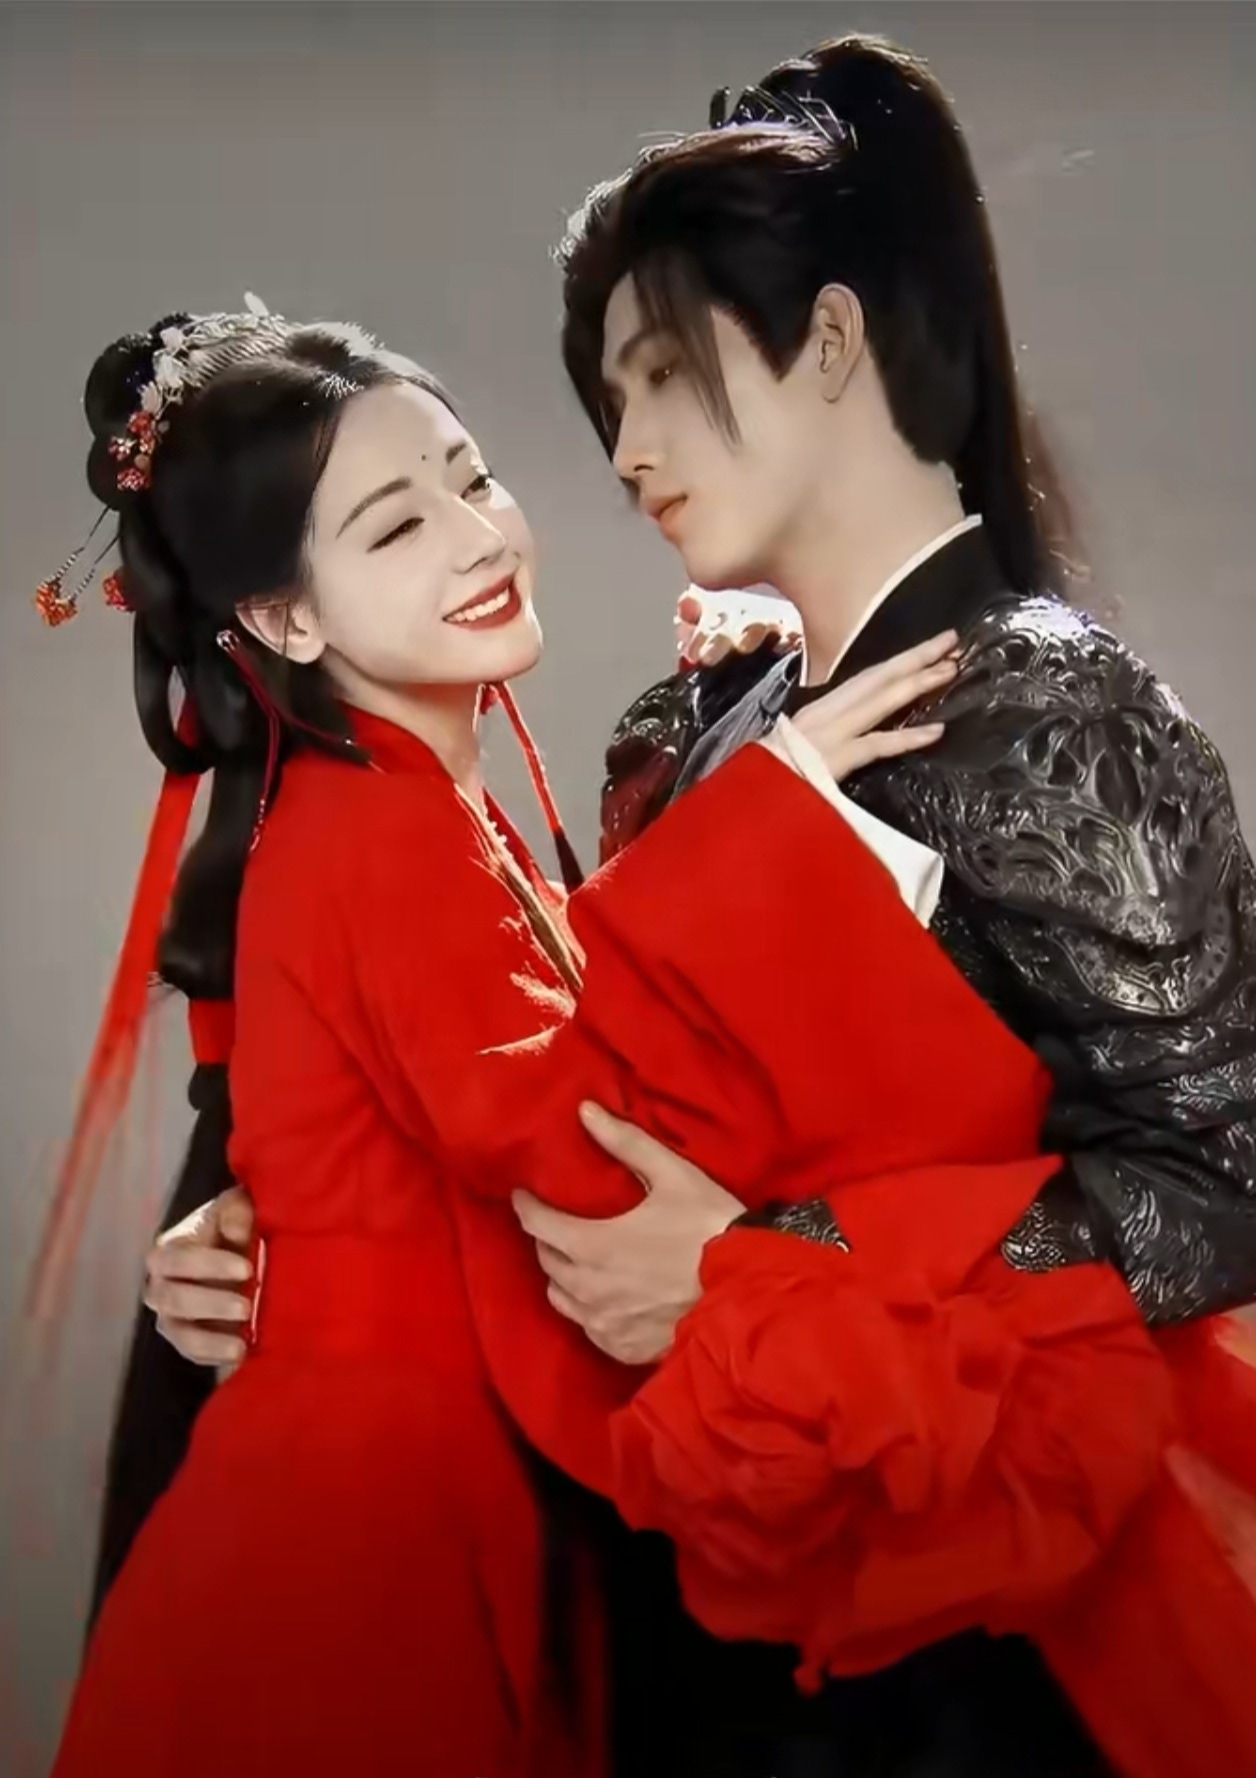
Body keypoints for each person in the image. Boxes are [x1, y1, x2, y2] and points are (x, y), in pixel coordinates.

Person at [148, 31, 1256, 1778]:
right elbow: (572, 1084)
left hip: (957, 1608)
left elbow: (1222, 1186)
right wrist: (294, 1225)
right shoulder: (690, 721)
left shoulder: (1057, 714)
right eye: (610, 402)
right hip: (693, 1577)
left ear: (834, 341)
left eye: (661, 375)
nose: (623, 449)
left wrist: (773, 1263)